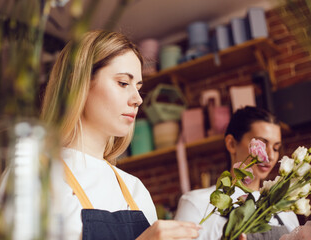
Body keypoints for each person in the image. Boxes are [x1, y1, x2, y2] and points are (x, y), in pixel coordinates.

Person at [41, 30, 200, 239]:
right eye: (123, 83)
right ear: (76, 85)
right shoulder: (37, 176)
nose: (138, 99)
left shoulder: (134, 189)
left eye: (138, 87)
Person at [174, 106, 299, 240]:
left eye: (275, 148)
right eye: (262, 145)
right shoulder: (197, 204)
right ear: (231, 144)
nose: (270, 156)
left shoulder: (285, 212)